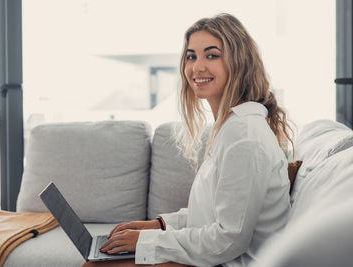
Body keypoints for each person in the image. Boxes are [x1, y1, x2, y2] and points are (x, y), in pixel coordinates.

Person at [82, 13, 294, 267]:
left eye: (212, 55)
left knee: (96, 265)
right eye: (191, 56)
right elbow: (210, 216)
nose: (197, 67)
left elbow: (228, 239)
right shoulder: (231, 127)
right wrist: (158, 225)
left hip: (231, 262)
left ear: (239, 62)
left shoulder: (244, 136)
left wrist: (146, 242)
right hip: (219, 257)